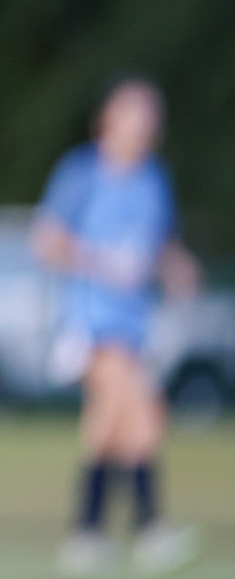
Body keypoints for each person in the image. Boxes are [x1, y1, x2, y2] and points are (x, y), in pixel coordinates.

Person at [33, 77, 202, 576]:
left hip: (134, 323)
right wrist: (102, 263)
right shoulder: (81, 173)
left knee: (108, 428)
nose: (145, 123)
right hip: (90, 321)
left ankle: (87, 534)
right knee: (141, 414)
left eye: (151, 114)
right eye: (135, 112)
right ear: (109, 117)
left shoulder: (154, 179)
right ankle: (151, 529)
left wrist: (178, 270)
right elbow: (47, 241)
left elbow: (159, 245)